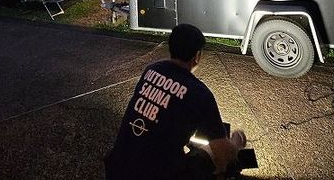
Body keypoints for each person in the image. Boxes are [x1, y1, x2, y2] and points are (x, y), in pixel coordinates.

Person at [105, 23, 247, 180]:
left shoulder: (152, 70)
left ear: (171, 47)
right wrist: (236, 143)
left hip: (117, 167)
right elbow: (221, 153)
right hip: (158, 174)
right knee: (218, 156)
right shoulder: (200, 93)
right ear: (197, 56)